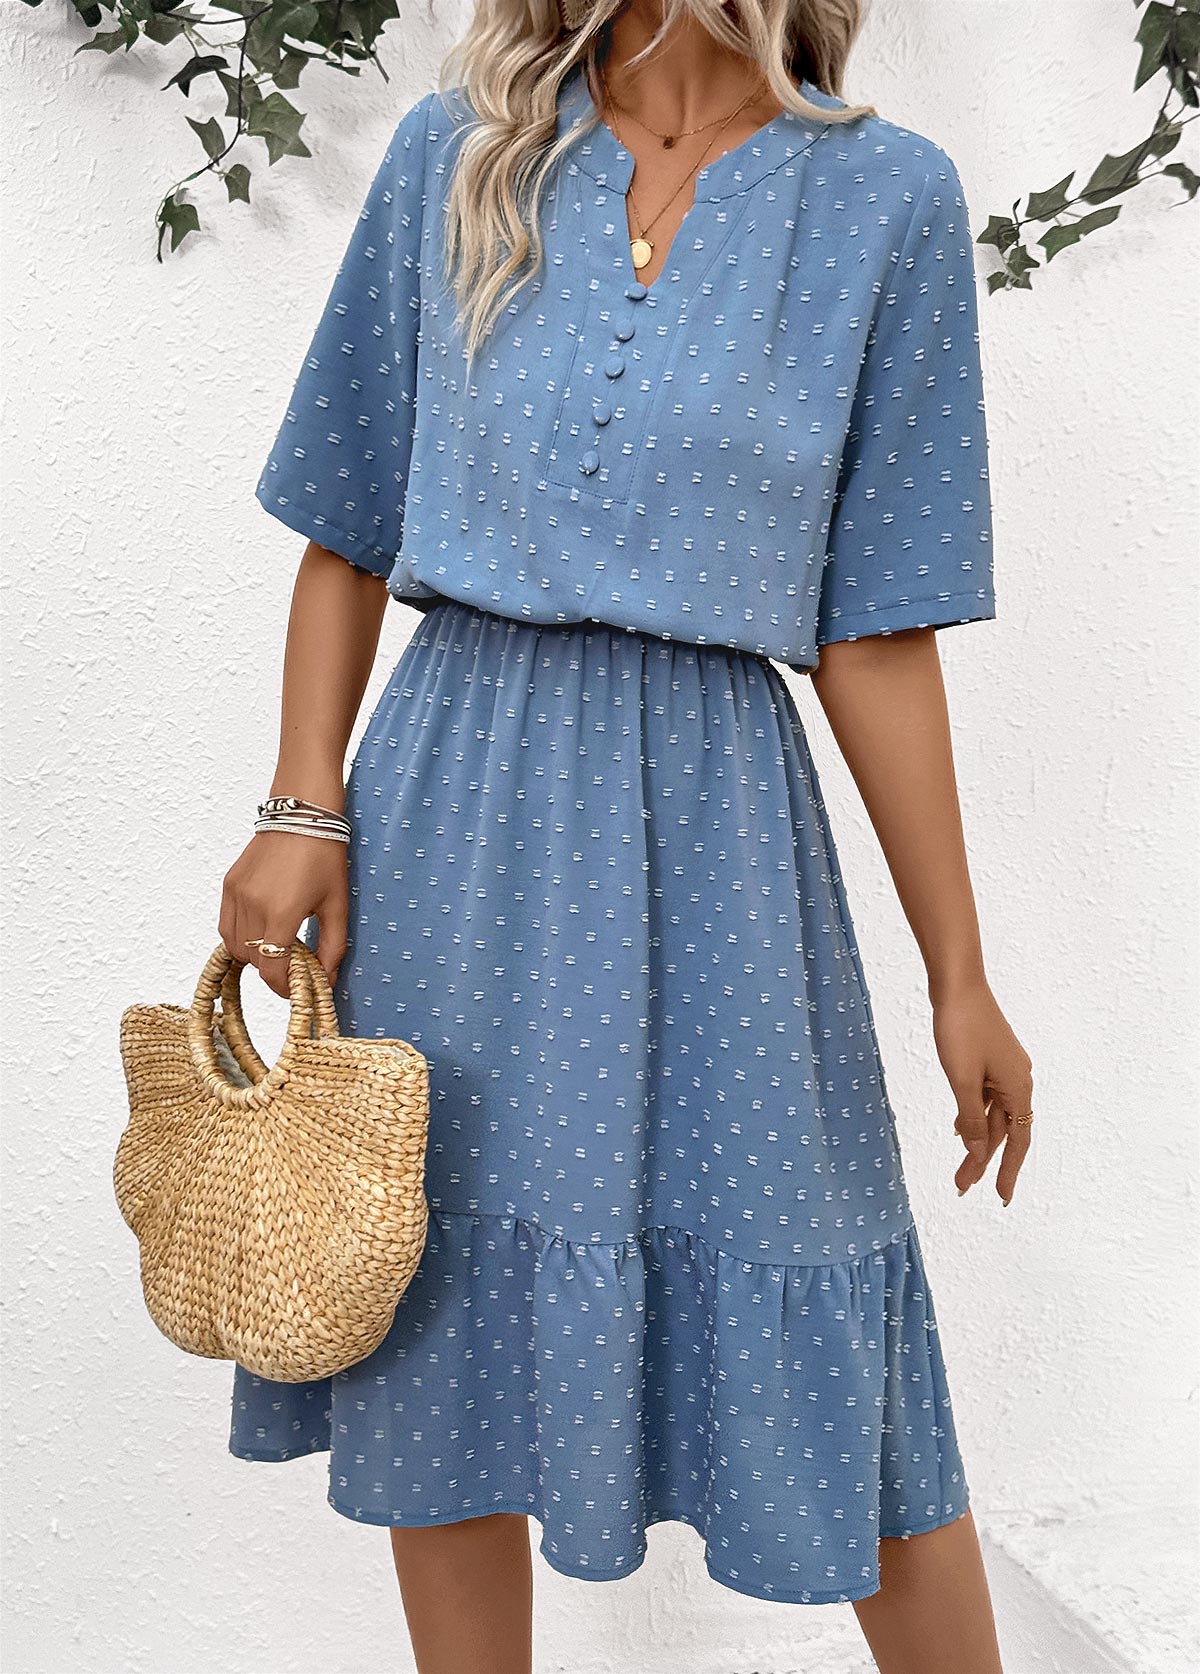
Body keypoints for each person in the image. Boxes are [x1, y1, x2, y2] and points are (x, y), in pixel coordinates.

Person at [221, 1, 1034, 1669]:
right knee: (438, 1307)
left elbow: (878, 632)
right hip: (453, 815)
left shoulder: (888, 200)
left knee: (824, 1297)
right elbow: (347, 522)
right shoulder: (462, 153)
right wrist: (304, 802)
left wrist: (959, 969)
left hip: (724, 835)